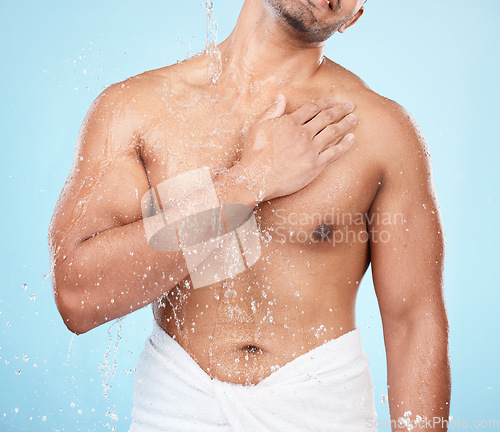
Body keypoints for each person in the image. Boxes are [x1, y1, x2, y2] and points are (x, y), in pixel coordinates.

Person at [48, 0, 451, 430]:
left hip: (324, 409)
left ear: (354, 16)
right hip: (178, 407)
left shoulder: (381, 130)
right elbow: (79, 298)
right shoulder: (135, 110)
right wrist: (251, 180)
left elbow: (414, 322)